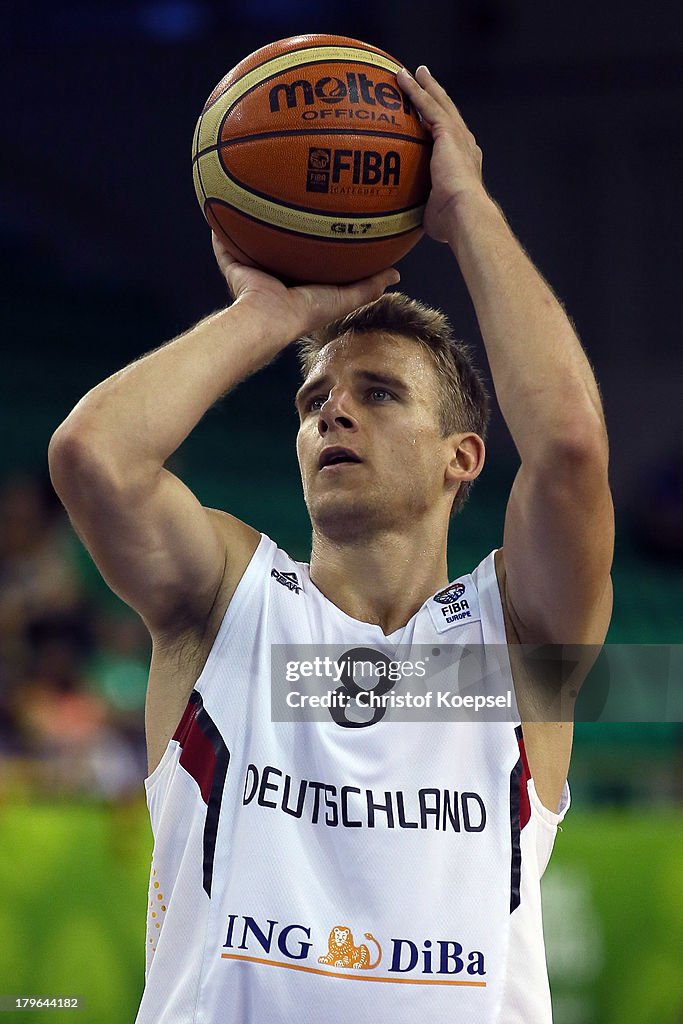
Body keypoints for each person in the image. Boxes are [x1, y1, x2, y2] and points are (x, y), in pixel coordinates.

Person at [48, 65, 613, 1023]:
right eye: (315, 401)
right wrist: (266, 320)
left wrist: (467, 208)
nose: (332, 413)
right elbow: (93, 458)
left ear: (461, 458)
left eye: (378, 393)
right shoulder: (231, 598)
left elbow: (565, 447)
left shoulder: (516, 640)